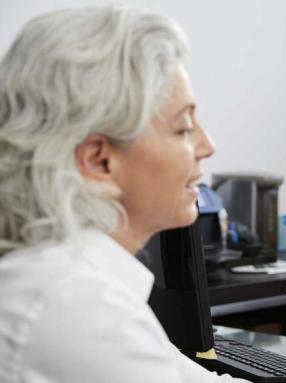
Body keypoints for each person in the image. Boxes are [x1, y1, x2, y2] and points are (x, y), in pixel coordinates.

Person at [0, 6, 250, 383]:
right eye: (183, 128)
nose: (208, 145)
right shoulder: (77, 308)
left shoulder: (73, 287)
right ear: (100, 161)